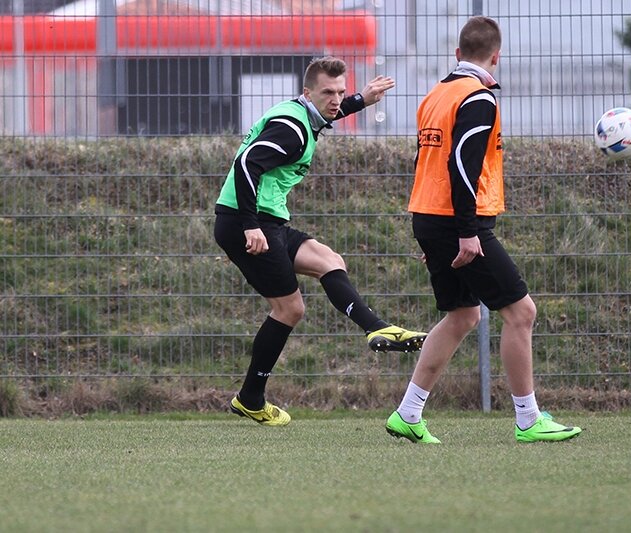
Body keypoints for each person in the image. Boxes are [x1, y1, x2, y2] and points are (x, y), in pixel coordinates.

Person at [385, 17, 582, 444]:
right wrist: (465, 231)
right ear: (497, 56)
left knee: (462, 315)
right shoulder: (478, 98)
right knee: (521, 313)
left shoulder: (436, 94)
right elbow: (462, 164)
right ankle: (528, 419)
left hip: (430, 216)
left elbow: (427, 162)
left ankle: (408, 413)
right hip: (457, 222)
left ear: (458, 54)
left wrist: (433, 233)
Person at [215, 56, 427, 426]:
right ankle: (251, 398)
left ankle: (376, 328)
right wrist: (250, 225)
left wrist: (361, 99)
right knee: (289, 309)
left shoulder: (303, 114)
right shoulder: (292, 130)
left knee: (328, 260)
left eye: (341, 91)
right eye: (328, 92)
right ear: (307, 92)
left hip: (266, 219)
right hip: (247, 221)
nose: (336, 99)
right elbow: (247, 163)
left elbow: (328, 112)